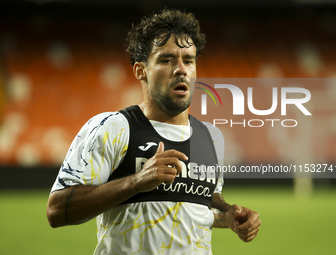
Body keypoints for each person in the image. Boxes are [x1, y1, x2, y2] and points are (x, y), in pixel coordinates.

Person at [47, 9, 261, 254]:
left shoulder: (211, 137)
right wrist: (137, 181)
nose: (181, 69)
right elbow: (56, 211)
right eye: (166, 60)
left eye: (188, 60)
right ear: (141, 70)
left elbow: (199, 205)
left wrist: (228, 215)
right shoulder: (114, 128)